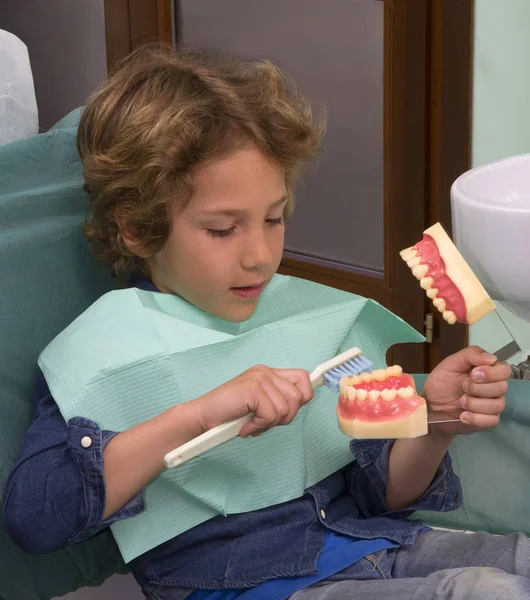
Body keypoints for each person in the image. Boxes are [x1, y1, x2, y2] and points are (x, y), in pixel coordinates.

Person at [3, 45, 527, 600]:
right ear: (136, 228)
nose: (259, 255)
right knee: (483, 592)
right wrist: (200, 413)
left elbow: (383, 497)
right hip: (254, 586)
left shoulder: (305, 319)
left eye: (274, 219)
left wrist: (437, 423)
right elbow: (37, 516)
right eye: (223, 229)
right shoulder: (102, 352)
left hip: (376, 543)